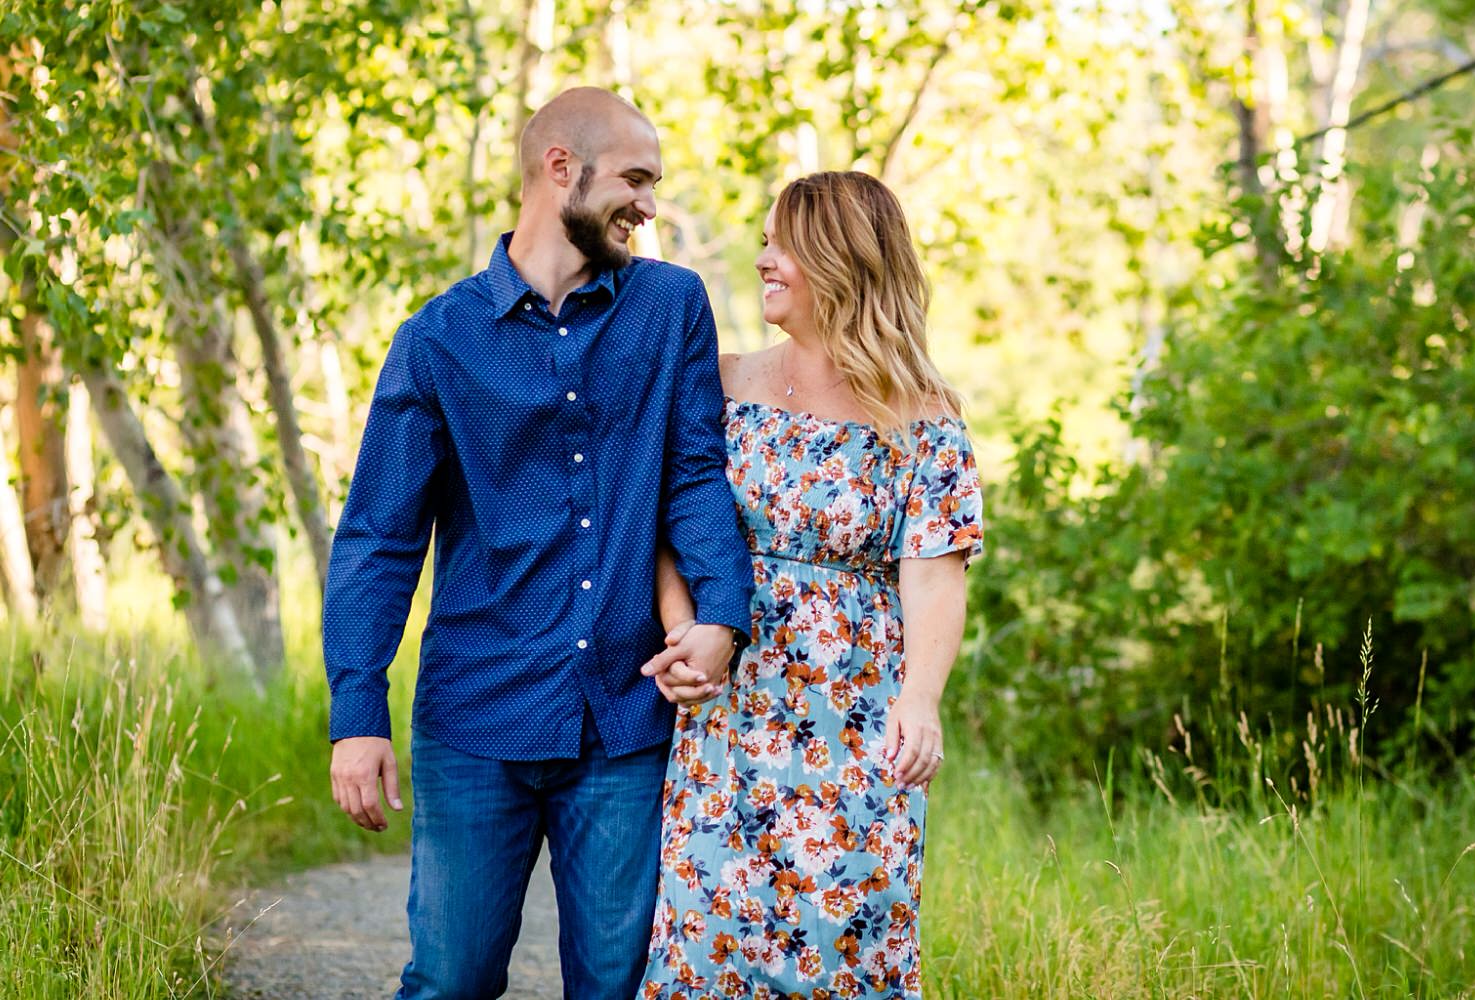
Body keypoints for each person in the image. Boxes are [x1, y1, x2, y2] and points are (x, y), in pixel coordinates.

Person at [321, 87, 753, 1000]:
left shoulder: (671, 306)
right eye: (634, 180)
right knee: (452, 979)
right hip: (478, 714)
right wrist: (357, 713)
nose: (646, 204)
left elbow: (693, 472)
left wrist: (722, 612)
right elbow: (378, 540)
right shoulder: (438, 340)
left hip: (624, 722)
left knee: (620, 983)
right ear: (561, 168)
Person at [635, 171, 984, 998]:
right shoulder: (717, 383)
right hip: (729, 706)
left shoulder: (923, 415)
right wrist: (682, 632)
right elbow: (667, 526)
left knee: (848, 946)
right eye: (762, 241)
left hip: (856, 721)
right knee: (710, 943)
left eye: (780, 243)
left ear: (840, 258)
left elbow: (934, 580)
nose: (763, 259)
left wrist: (921, 699)